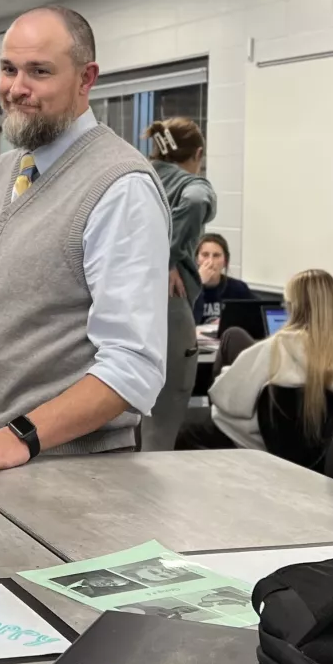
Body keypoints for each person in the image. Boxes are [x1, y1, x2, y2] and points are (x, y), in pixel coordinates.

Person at [0, 5, 168, 477]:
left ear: (85, 78)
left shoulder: (120, 186)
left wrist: (19, 438)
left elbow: (133, 366)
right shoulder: (0, 173)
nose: (17, 88)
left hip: (55, 465)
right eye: (9, 69)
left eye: (39, 71)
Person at [207, 269, 333, 451]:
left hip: (266, 445)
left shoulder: (278, 346)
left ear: (293, 306)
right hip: (329, 452)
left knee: (233, 337)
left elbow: (226, 398)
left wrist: (228, 373)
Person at [142, 117, 215, 451]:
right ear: (198, 153)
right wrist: (169, 256)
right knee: (164, 419)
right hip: (168, 305)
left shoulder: (135, 175)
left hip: (125, 301)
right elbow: (198, 202)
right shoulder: (192, 183)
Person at [194, 233, 254, 325]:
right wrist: (198, 283)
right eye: (205, 255)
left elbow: (256, 314)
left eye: (216, 255)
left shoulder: (238, 288)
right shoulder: (186, 289)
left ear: (225, 261)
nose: (210, 261)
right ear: (197, 259)